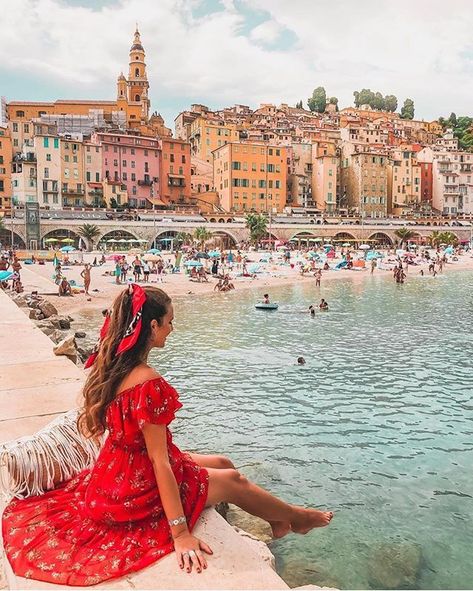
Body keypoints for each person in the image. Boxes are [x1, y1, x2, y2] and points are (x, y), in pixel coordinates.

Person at [2, 285, 333, 585]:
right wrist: (180, 533)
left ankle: (278, 521)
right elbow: (159, 461)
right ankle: (297, 517)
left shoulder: (113, 364)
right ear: (152, 326)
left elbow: (142, 444)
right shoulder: (147, 383)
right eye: (170, 322)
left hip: (114, 470)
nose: (173, 329)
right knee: (233, 479)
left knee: (222, 461)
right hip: (135, 483)